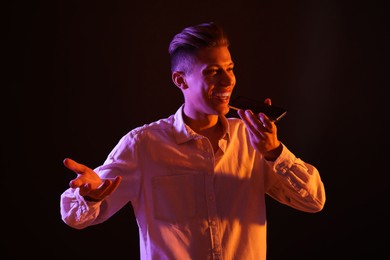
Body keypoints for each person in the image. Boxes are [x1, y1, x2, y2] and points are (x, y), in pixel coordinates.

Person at [60, 21, 326, 260]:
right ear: (180, 80)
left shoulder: (251, 140)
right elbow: (75, 216)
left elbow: (314, 201)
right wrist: (89, 196)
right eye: (213, 72)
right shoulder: (142, 145)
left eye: (230, 69)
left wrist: (273, 153)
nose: (228, 80)